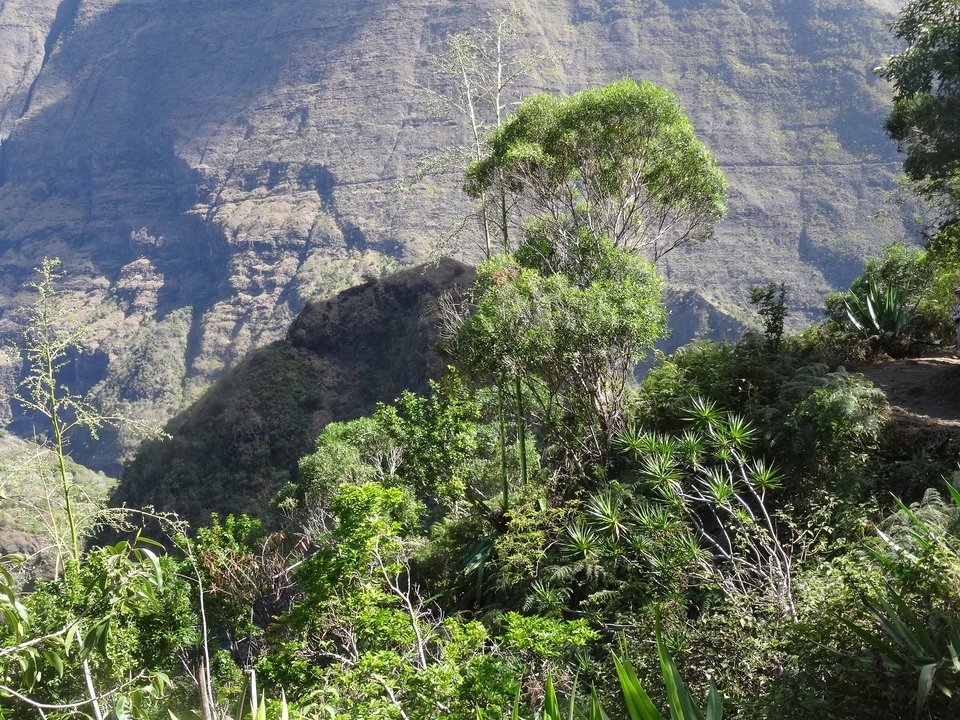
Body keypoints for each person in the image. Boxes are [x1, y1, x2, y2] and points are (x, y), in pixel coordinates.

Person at [953, 287, 960, 355]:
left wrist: (955, 317)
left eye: (958, 293)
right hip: (958, 322)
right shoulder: (958, 303)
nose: (957, 295)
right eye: (957, 293)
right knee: (958, 337)